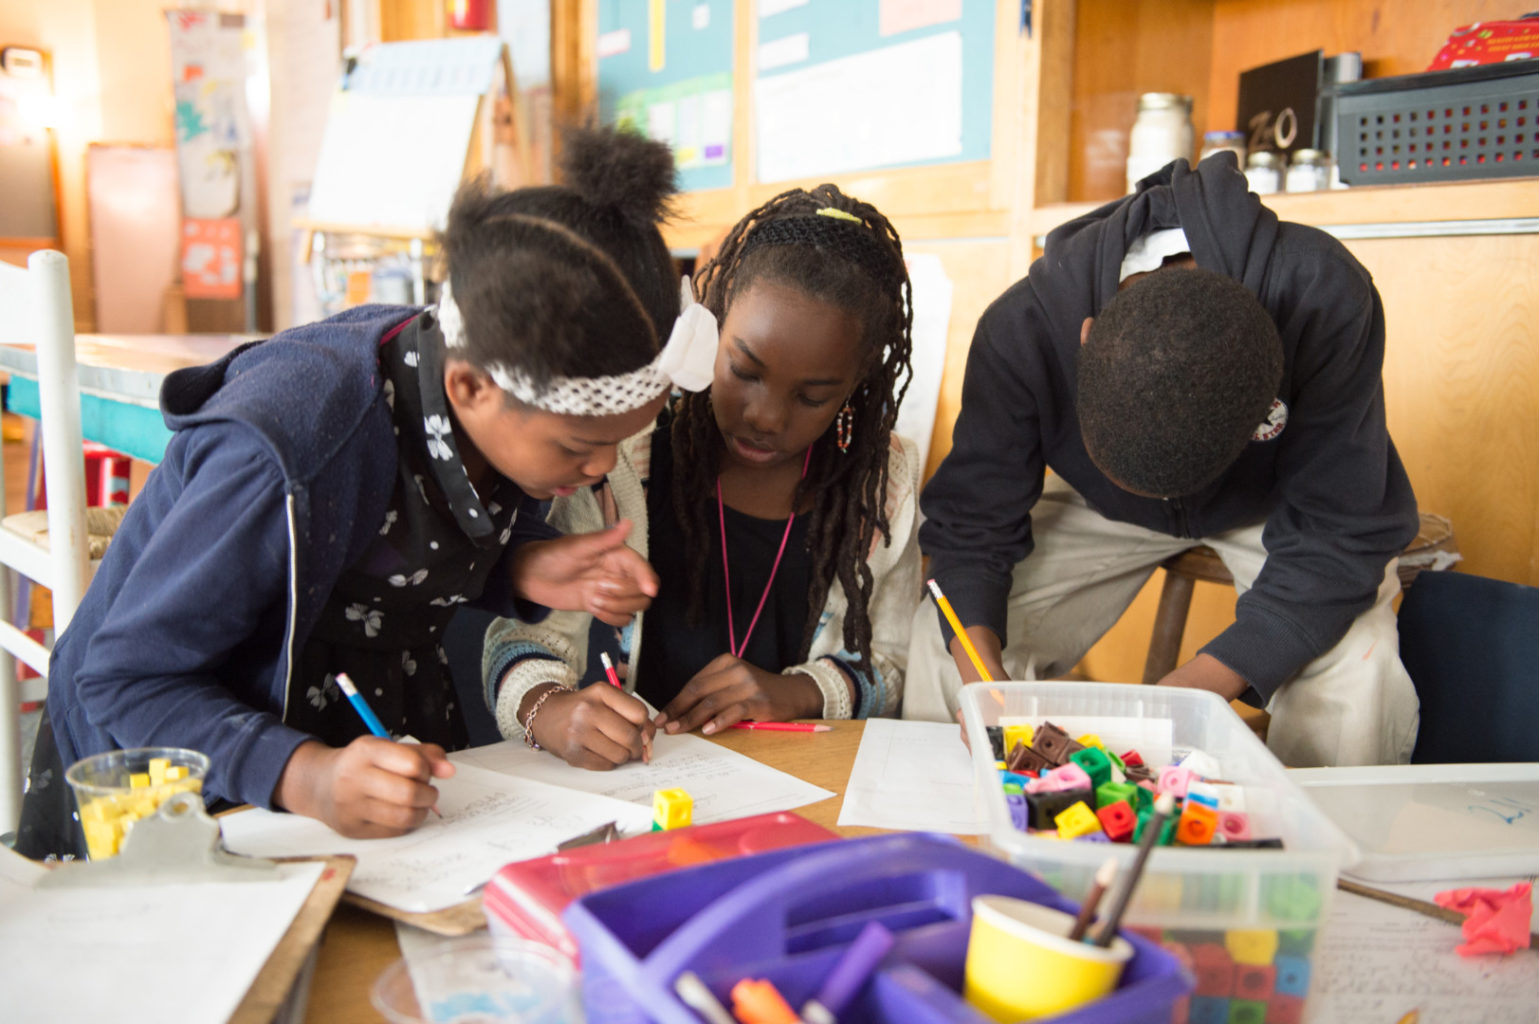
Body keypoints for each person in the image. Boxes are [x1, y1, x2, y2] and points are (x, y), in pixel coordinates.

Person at [17, 126, 707, 858]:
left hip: (349, 753)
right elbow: (124, 679)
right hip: (176, 782)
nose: (600, 470)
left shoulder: (474, 388)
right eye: (577, 448)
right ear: (470, 386)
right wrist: (303, 776)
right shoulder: (290, 449)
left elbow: (383, 551)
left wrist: (519, 565)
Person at [906, 155, 1420, 768]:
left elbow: (1339, 531)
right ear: (1086, 341)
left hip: (1278, 503)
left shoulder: (1320, 292)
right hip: (1096, 504)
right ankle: (959, 838)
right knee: (944, 647)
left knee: (1357, 666)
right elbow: (971, 526)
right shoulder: (1024, 328)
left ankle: (1320, 857)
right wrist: (978, 675)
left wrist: (1202, 684)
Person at [482, 185, 922, 768]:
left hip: (799, 781)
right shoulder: (622, 457)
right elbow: (521, 639)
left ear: (857, 383)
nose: (766, 416)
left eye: (814, 397)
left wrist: (800, 691)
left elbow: (890, 663)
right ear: (711, 321)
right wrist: (548, 709)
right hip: (646, 778)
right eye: (744, 369)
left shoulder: (878, 485)